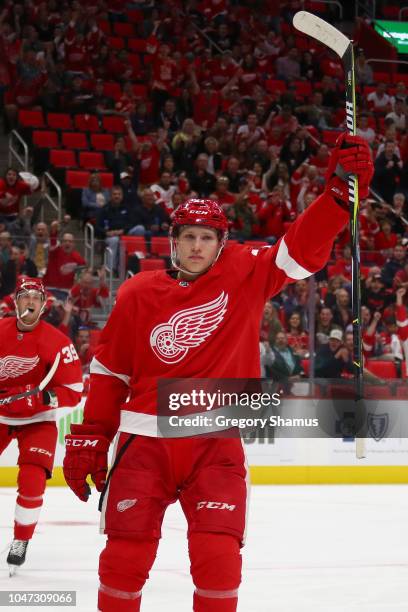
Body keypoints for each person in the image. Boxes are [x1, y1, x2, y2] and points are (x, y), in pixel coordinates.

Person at [63, 134, 373, 612]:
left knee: (218, 556)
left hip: (216, 441)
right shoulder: (137, 293)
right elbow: (109, 373)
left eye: (206, 237)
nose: (196, 246)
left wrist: (335, 200)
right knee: (124, 557)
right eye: (187, 236)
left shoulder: (246, 272)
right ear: (173, 242)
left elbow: (300, 251)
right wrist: (89, 439)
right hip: (144, 442)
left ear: (221, 242)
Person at [0, 277, 83, 574]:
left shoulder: (59, 343)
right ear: (16, 302)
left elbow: (74, 390)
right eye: (25, 297)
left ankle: (21, 540)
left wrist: (37, 401)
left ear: (44, 304)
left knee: (33, 479)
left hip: (38, 421)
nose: (30, 302)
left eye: (36, 297)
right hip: (1, 417)